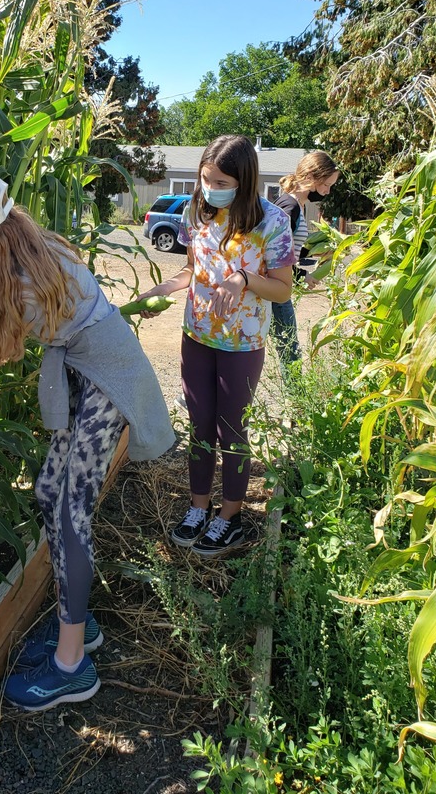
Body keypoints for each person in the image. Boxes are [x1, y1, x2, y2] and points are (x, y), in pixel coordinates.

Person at [0, 170, 175, 711]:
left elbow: (5, 350)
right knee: (49, 492)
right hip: (79, 369)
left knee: (71, 507)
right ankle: (79, 624)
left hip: (107, 377)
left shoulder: (24, 282)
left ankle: (72, 666)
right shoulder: (21, 241)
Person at [137, 136, 295, 556]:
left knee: (231, 430)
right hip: (197, 336)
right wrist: (161, 291)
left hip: (242, 343)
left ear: (243, 181)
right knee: (200, 425)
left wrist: (243, 278)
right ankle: (198, 507)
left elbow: (281, 291)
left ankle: (230, 516)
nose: (210, 187)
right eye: (206, 178)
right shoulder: (195, 212)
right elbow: (192, 271)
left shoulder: (272, 222)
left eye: (220, 180)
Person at [271, 151, 339, 369]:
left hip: (279, 285)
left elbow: (290, 249)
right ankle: (296, 400)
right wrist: (302, 275)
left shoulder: (297, 205)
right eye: (326, 185)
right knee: (289, 351)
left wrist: (318, 251)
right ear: (312, 177)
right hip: (275, 288)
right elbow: (275, 255)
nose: (327, 192)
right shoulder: (289, 206)